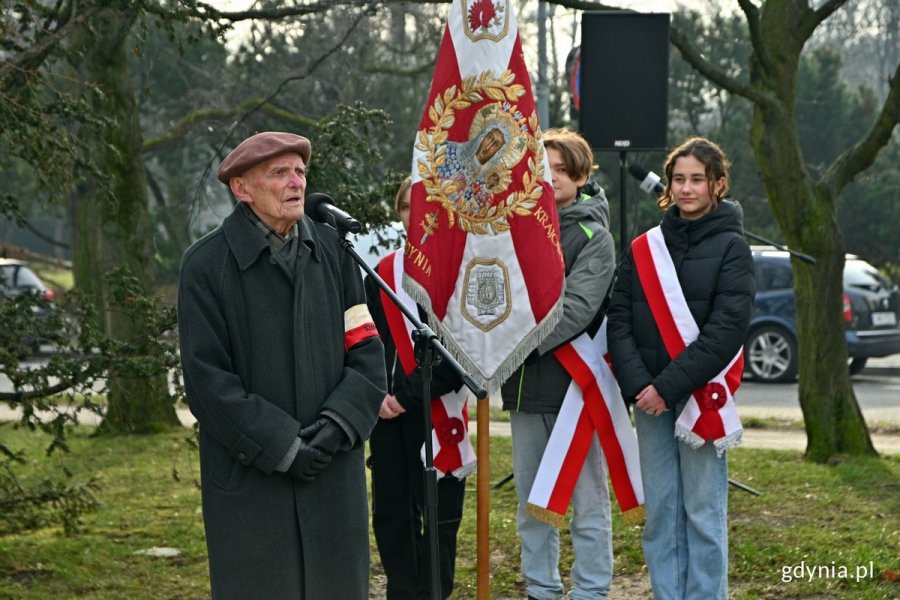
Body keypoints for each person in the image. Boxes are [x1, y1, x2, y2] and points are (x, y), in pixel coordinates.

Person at [177, 131, 387, 599]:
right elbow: (209, 385)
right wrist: (284, 446)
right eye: (280, 173)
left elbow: (368, 352)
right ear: (242, 188)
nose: (296, 183)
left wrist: (337, 425)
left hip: (333, 477)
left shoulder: (335, 253)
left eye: (300, 172)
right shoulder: (205, 267)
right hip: (254, 486)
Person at [606, 137, 755, 600]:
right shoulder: (644, 247)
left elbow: (725, 330)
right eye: (679, 179)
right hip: (650, 400)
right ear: (668, 185)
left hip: (697, 399)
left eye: (696, 179)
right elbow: (620, 318)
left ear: (718, 184)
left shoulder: (733, 247)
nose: (686, 189)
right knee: (662, 513)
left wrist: (666, 388)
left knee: (703, 512)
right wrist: (639, 387)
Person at [500, 128, 617, 600]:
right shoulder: (514, 229)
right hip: (527, 389)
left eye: (559, 171)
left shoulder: (596, 237)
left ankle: (591, 589)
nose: (548, 179)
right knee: (532, 502)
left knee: (587, 501)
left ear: (581, 176)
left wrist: (509, 347)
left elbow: (575, 310)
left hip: (576, 389)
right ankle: (541, 588)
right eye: (540, 170)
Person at [365, 177, 471, 599]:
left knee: (440, 520)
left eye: (424, 206)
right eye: (407, 206)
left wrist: (404, 396)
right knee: (392, 515)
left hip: (436, 409)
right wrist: (377, 393)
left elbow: (463, 356)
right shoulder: (382, 273)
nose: (415, 214)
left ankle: (434, 593)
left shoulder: (460, 271)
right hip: (387, 415)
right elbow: (363, 339)